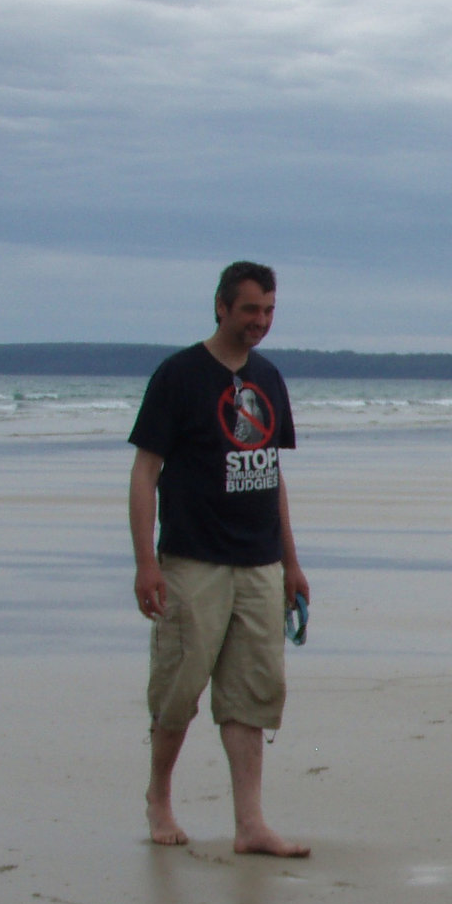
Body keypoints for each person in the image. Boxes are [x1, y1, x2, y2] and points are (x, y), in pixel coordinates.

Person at [128, 261, 310, 856]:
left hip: (258, 562)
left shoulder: (269, 380)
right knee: (179, 688)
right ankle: (159, 797)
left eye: (269, 310)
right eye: (251, 309)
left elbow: (272, 474)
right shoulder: (179, 376)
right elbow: (145, 471)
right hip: (192, 559)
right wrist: (145, 563)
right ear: (221, 307)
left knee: (252, 692)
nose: (261, 321)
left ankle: (250, 824)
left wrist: (292, 563)